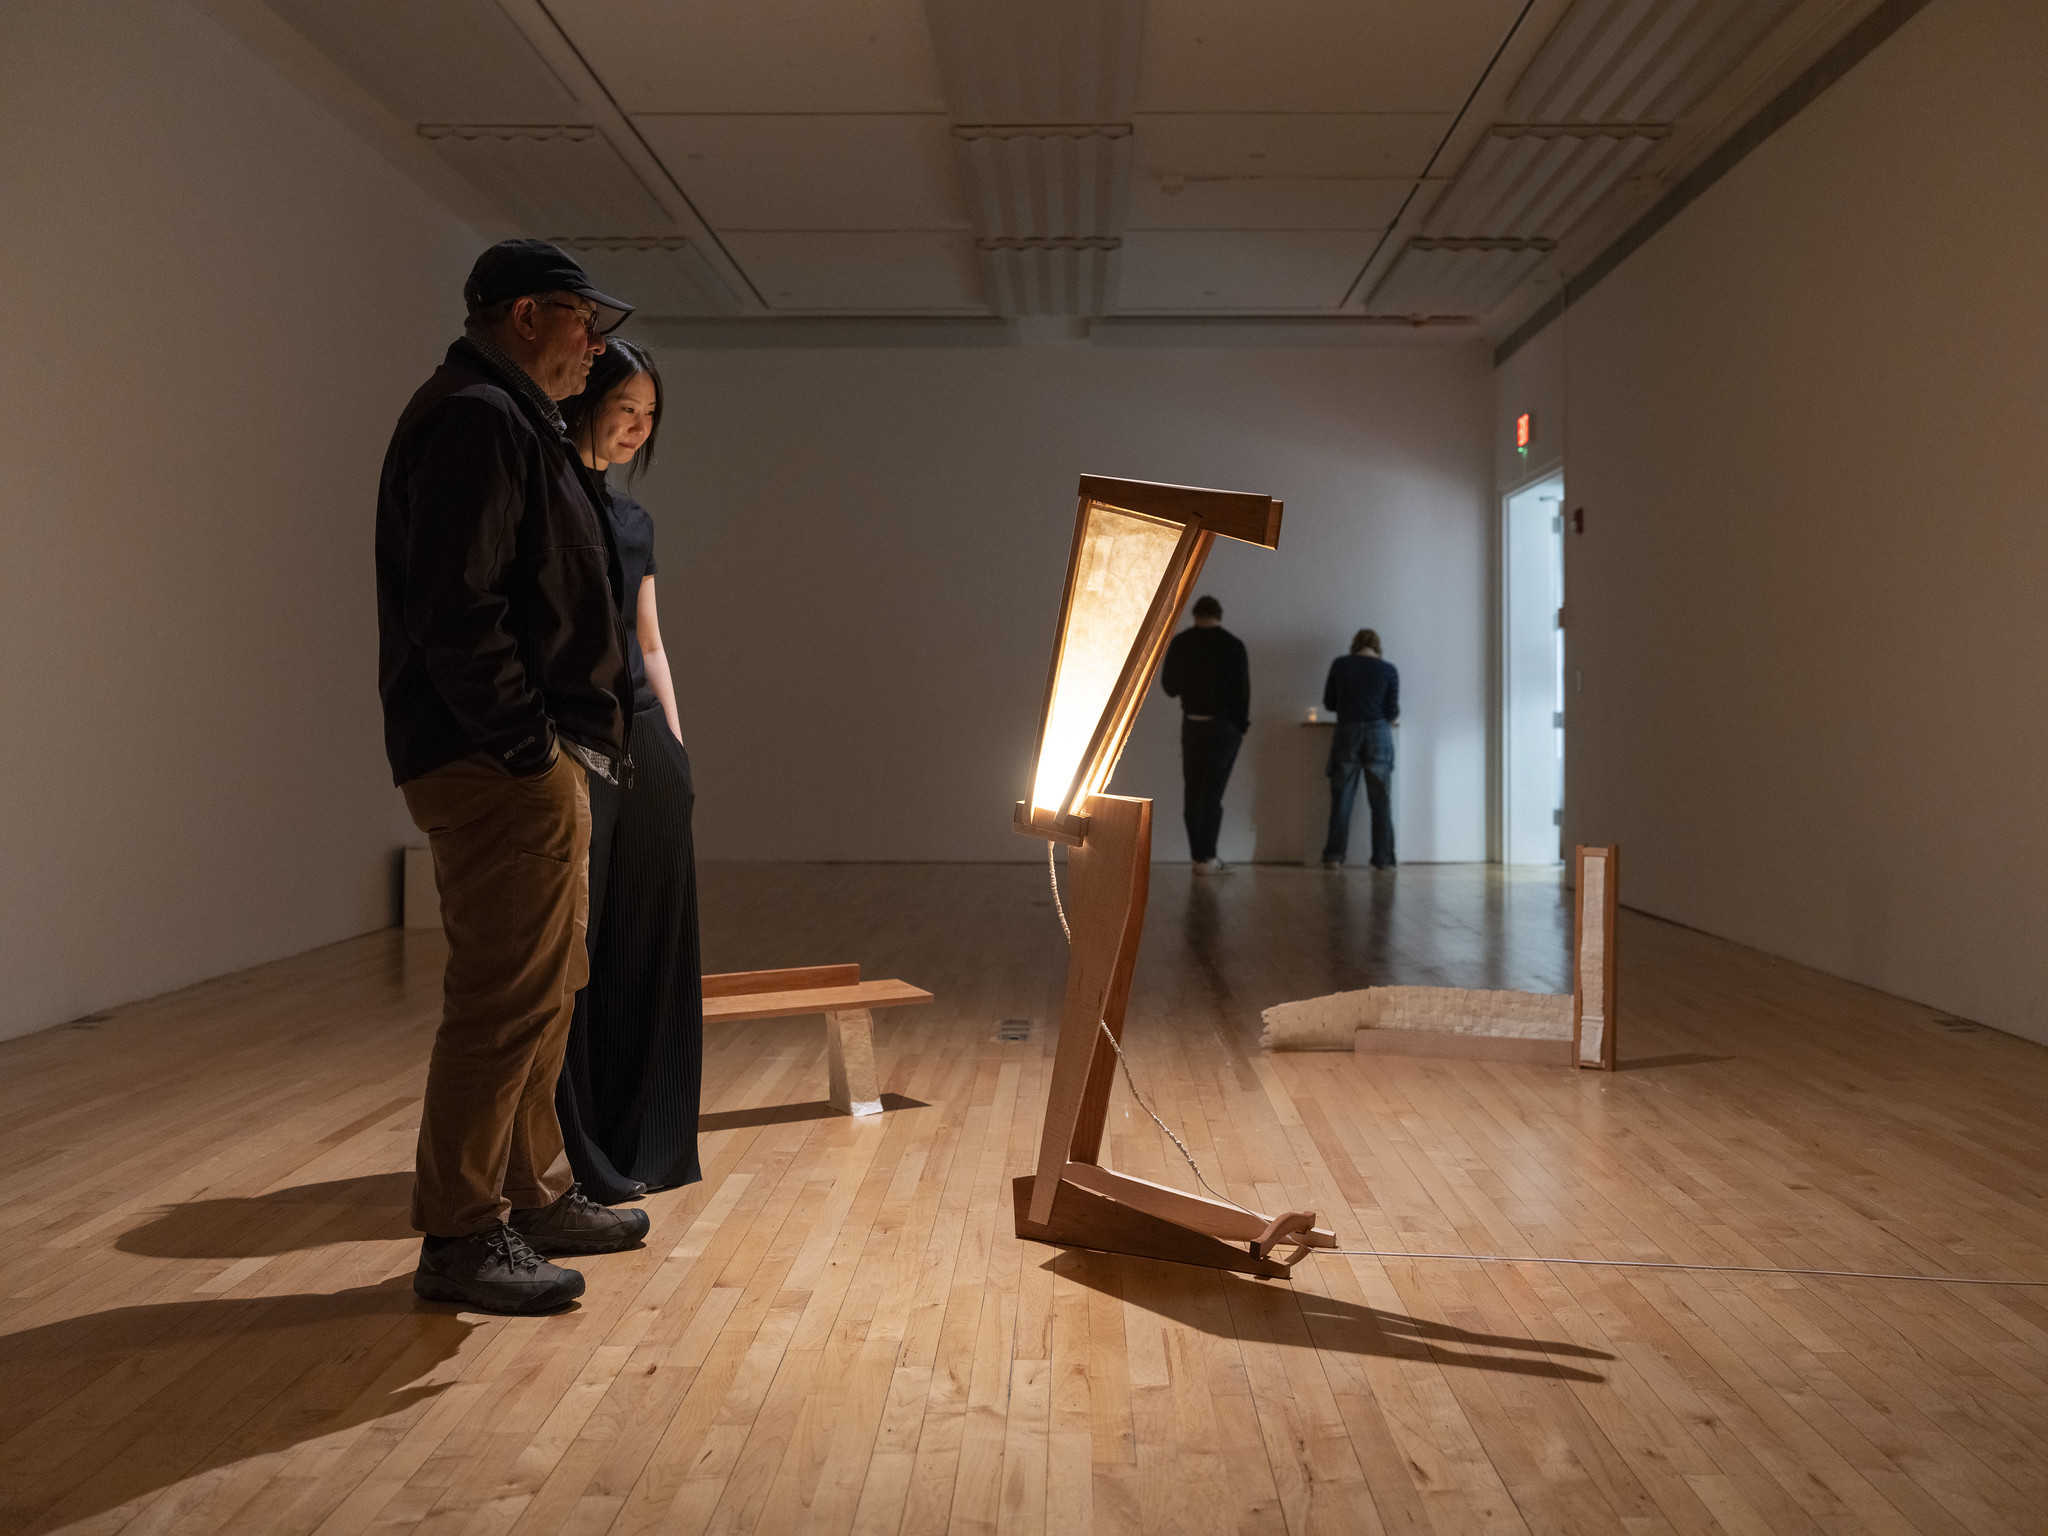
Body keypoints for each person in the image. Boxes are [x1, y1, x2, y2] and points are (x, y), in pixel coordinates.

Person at [376, 239, 652, 1315]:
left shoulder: (507, 420)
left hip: (523, 755)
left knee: (547, 986)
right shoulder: (475, 418)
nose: (598, 347)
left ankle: (530, 1195)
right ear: (530, 314)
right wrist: (522, 742)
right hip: (496, 760)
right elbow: (459, 605)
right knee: (502, 999)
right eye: (588, 322)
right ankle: (460, 1236)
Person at [552, 340, 705, 1204]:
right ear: (587, 399)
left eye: (650, 414)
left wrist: (676, 753)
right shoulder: (550, 503)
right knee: (580, 945)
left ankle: (644, 1141)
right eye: (625, 406)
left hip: (644, 737)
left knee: (650, 939)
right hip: (578, 740)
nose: (638, 426)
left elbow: (650, 642)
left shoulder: (634, 522)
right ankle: (579, 1154)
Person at [1159, 594, 1250, 873]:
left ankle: (1199, 857)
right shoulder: (1233, 645)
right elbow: (1243, 693)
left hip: (1193, 723)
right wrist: (1239, 726)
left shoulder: (1182, 643)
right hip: (1224, 728)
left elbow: (1169, 687)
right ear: (1219, 615)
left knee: (1193, 792)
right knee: (1212, 794)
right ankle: (1208, 857)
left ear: (1195, 614)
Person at [1321, 628, 1400, 870]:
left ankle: (1334, 857)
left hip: (1347, 731)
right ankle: (1383, 859)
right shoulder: (1388, 670)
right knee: (1381, 800)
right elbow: (1392, 711)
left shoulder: (1340, 665)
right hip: (1378, 733)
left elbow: (1329, 703)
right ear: (1377, 647)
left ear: (1354, 645)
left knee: (1342, 798)